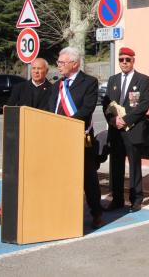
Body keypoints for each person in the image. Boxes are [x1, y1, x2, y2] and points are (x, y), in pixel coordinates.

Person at [0, 57, 52, 227]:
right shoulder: (20, 88)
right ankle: (3, 214)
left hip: (41, 142)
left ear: (46, 71)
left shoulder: (53, 90)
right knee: (12, 179)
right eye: (34, 68)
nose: (36, 71)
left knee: (38, 179)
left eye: (39, 69)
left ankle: (35, 212)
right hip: (19, 141)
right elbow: (9, 110)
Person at [48, 47, 104, 229]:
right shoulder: (58, 84)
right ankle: (62, 211)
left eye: (62, 63)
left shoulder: (89, 82)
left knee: (88, 178)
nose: (59, 66)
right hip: (57, 137)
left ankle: (96, 213)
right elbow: (50, 108)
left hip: (80, 138)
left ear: (75, 63)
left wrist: (65, 124)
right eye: (58, 63)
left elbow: (86, 110)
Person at [102, 47, 149, 213]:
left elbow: (143, 105)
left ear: (133, 60)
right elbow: (106, 105)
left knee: (134, 166)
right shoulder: (113, 80)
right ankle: (117, 199)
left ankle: (136, 199)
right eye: (121, 59)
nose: (124, 62)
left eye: (127, 59)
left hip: (133, 129)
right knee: (116, 166)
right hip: (116, 130)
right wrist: (113, 120)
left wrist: (126, 120)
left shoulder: (143, 80)